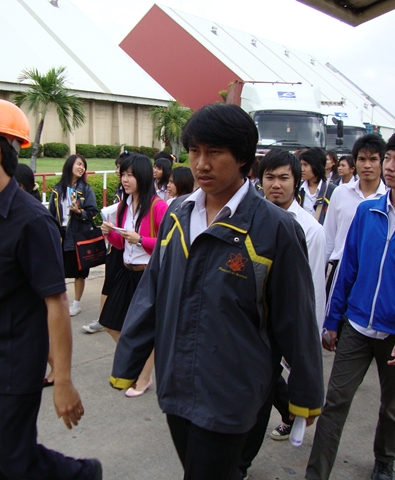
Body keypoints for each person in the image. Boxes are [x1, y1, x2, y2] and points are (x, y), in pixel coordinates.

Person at [110, 103, 324, 480]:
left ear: (242, 158)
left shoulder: (275, 229)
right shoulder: (177, 214)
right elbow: (152, 291)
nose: (201, 164)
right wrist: (128, 360)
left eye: (214, 152)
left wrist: (305, 393)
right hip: (176, 384)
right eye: (194, 151)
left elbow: (297, 318)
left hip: (232, 393)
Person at [0, 98, 101, 479]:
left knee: (15, 461)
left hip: (13, 365)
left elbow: (56, 303)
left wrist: (62, 379)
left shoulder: (32, 221)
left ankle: (83, 475)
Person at [306, 130, 395, 480]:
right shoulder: (367, 211)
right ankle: (316, 473)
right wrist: (332, 320)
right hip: (356, 326)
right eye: (389, 158)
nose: (389, 166)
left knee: (393, 407)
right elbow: (348, 269)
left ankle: (385, 461)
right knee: (335, 402)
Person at [236, 148, 327, 475]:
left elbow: (311, 291)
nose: (276, 184)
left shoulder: (310, 230)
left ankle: (242, 463)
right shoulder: (247, 220)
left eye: (284, 178)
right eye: (270, 177)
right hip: (247, 325)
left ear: (297, 181)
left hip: (279, 329)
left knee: (262, 394)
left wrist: (304, 347)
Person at [99, 154, 168, 397]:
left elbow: (168, 243)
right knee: (109, 322)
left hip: (147, 274)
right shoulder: (123, 205)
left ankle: (144, 377)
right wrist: (109, 232)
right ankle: (137, 361)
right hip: (126, 271)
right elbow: (120, 244)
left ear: (143, 176)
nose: (125, 179)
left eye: (130, 175)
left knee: (145, 330)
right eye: (123, 174)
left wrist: (140, 240)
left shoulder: (158, 206)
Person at [323, 134, 388, 295]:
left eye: (373, 159)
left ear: (383, 162)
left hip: (375, 273)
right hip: (340, 269)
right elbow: (329, 237)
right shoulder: (340, 192)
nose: (367, 165)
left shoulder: (389, 197)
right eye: (362, 159)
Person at [82, 151, 130, 334]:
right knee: (110, 280)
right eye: (118, 170)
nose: (119, 173)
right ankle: (104, 318)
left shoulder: (141, 197)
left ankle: (107, 318)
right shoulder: (121, 190)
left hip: (127, 244)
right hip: (116, 241)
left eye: (122, 169)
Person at [48, 154, 99, 317]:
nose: (81, 168)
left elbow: (93, 212)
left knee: (79, 271)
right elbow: (51, 213)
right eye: (78, 164)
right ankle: (60, 301)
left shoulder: (86, 189)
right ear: (69, 165)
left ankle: (76, 303)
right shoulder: (57, 189)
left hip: (78, 235)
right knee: (59, 269)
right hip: (61, 234)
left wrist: (79, 212)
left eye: (83, 165)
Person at [298, 147, 336, 224]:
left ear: (316, 166)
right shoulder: (297, 189)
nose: (302, 169)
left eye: (305, 165)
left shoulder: (332, 191)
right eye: (301, 165)